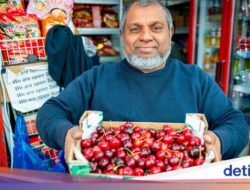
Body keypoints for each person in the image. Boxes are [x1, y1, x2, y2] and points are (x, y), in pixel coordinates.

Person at [37, 0, 249, 163]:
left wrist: (220, 139)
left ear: (170, 33)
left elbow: (236, 123)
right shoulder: (96, 78)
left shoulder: (195, 79)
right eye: (135, 29)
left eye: (156, 28)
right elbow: (50, 112)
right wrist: (64, 132)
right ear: (122, 35)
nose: (145, 37)